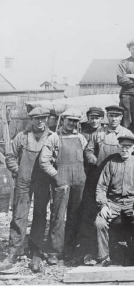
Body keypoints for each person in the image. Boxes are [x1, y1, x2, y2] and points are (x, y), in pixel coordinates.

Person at [79, 105, 134, 264]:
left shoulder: (127, 134)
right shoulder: (99, 134)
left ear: (121, 117)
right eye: (111, 116)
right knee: (99, 213)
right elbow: (89, 150)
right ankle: (98, 251)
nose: (113, 119)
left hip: (120, 178)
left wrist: (131, 166)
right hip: (100, 177)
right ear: (107, 117)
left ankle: (121, 248)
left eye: (117, 116)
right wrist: (92, 158)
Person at [3, 107, 52, 270]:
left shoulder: (52, 137)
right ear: (31, 120)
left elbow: (57, 158)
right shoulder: (22, 137)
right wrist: (18, 171)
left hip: (43, 182)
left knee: (40, 215)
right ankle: (14, 251)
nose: (40, 121)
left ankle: (36, 250)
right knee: (19, 215)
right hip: (23, 183)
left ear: (47, 119)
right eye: (37, 118)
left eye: (43, 118)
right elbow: (10, 156)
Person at [38, 108, 87, 265]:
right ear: (63, 120)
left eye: (75, 121)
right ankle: (54, 250)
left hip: (79, 181)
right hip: (62, 182)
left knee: (75, 215)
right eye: (69, 120)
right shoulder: (54, 138)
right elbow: (43, 161)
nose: (72, 123)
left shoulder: (81, 138)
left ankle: (71, 248)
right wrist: (55, 175)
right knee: (58, 217)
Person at [94, 135, 134, 266]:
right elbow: (101, 187)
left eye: (128, 147)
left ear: (133, 148)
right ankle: (103, 257)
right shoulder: (111, 163)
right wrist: (103, 205)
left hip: (131, 203)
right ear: (118, 147)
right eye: (122, 147)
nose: (125, 150)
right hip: (112, 202)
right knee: (100, 223)